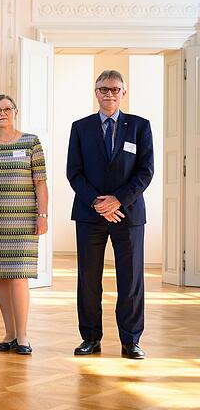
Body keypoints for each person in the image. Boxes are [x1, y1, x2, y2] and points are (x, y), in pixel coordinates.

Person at [67, 70, 154, 359]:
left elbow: (145, 171)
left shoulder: (140, 127)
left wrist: (118, 200)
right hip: (90, 214)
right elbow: (74, 173)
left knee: (130, 280)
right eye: (103, 89)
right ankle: (91, 338)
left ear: (123, 93)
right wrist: (97, 202)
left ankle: (131, 340)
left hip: (128, 214)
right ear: (96, 93)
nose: (109, 94)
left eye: (115, 89)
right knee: (89, 279)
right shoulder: (80, 127)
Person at [0, 94, 48, 356]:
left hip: (23, 219)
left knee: (19, 276)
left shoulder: (31, 142)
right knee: (1, 278)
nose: (2, 113)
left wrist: (43, 215)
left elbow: (40, 182)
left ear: (15, 111)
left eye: (7, 108)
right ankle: (8, 333)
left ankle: (23, 335)